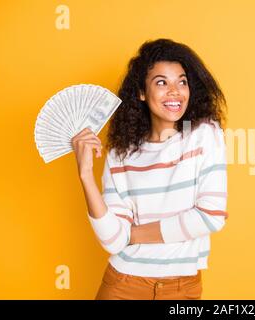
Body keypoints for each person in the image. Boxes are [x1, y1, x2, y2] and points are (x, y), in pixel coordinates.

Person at [71, 38, 228, 300]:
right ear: (142, 93)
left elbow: (211, 216)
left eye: (182, 81)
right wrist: (85, 175)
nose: (175, 91)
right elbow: (112, 241)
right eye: (161, 82)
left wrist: (132, 234)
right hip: (123, 284)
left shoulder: (204, 134)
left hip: (183, 289)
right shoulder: (120, 154)